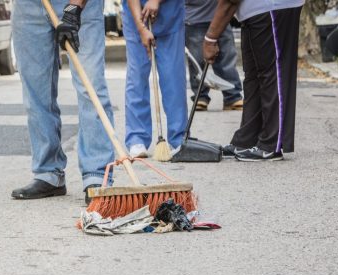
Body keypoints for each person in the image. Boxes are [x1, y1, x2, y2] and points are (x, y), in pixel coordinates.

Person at [10, 0, 115, 204]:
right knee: (36, 90)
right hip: (27, 7)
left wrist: (74, 8)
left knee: (90, 85)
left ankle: (97, 175)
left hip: (80, 4)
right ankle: (48, 173)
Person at [203, 0, 304, 161]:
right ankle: (247, 139)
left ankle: (272, 145)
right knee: (253, 76)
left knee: (272, 73)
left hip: (272, 7)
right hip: (254, 11)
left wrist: (211, 38)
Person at [123, 0, 187, 158]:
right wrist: (141, 27)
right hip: (136, 16)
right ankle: (136, 138)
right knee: (137, 78)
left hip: (170, 16)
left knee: (174, 79)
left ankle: (178, 138)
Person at [185, 0, 243, 112]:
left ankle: (232, 96)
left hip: (221, 15)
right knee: (197, 61)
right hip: (194, 18)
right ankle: (200, 96)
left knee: (227, 59)